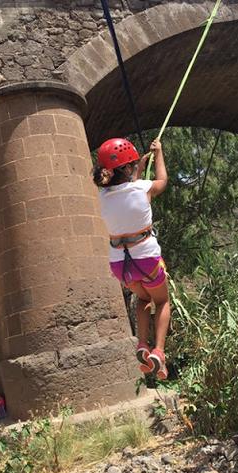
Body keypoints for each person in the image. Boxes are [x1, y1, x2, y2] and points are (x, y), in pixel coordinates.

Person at [93, 137, 170, 379]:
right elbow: (162, 181)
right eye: (132, 164)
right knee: (162, 302)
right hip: (146, 258)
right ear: (127, 168)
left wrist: (136, 168)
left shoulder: (103, 196)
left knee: (142, 300)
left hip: (120, 265)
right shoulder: (142, 188)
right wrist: (158, 154)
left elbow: (124, 190)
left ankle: (141, 345)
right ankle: (159, 351)